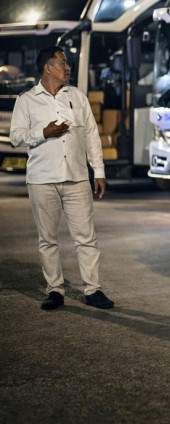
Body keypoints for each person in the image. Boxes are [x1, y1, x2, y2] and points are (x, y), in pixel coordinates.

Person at [10, 46, 113, 310]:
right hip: (42, 179)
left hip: (77, 178)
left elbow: (91, 135)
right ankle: (54, 290)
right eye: (63, 63)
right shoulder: (27, 100)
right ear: (47, 67)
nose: (68, 67)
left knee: (86, 237)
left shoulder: (77, 97)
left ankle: (93, 290)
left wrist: (98, 171)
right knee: (48, 239)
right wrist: (43, 132)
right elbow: (15, 136)